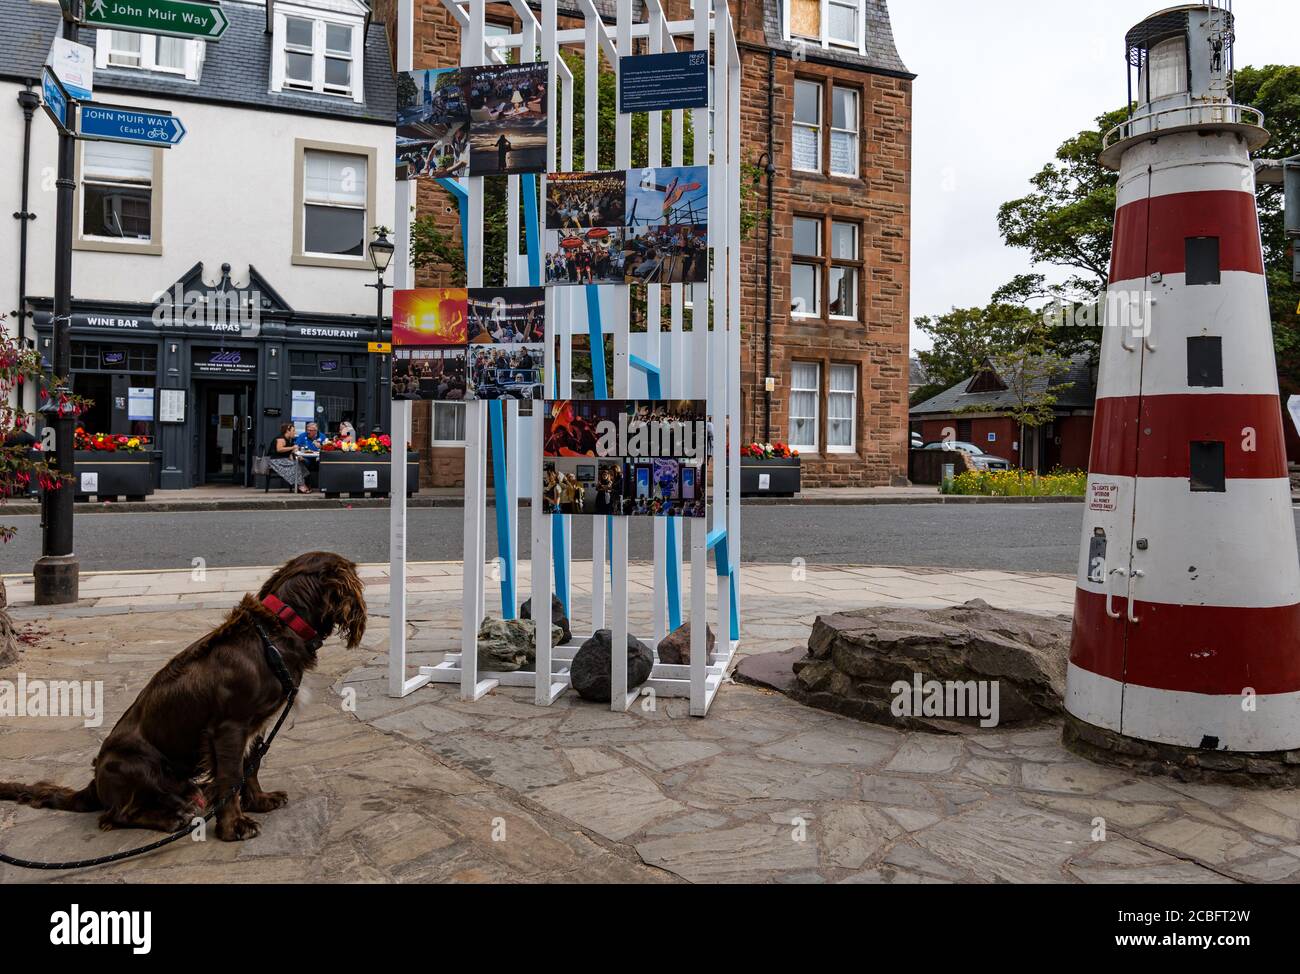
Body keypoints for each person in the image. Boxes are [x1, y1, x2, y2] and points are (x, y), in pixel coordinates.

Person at [269, 422, 311, 493]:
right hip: (276, 461)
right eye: (293, 431)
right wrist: (292, 448)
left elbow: (290, 453)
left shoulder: (289, 440)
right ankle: (300, 486)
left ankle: (302, 484)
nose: (294, 432)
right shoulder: (280, 439)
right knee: (296, 465)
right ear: (287, 431)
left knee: (300, 465)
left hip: (284, 459)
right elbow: (279, 449)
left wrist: (297, 457)